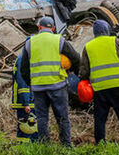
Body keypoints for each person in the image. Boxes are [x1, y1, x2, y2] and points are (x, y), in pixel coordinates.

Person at [20, 16, 80, 145]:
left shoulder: (30, 42)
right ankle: (66, 145)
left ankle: (45, 146)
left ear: (39, 27)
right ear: (53, 28)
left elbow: (23, 69)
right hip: (58, 85)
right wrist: (72, 72)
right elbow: (76, 58)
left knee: (42, 118)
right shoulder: (59, 40)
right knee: (63, 118)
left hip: (38, 87)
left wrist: (31, 83)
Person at [78, 20, 119, 144]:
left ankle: (100, 144)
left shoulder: (88, 47)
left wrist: (86, 83)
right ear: (107, 30)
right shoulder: (117, 42)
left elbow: (83, 71)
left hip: (100, 89)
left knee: (100, 119)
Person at [12, 53, 37, 143]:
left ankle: (34, 149)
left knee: (33, 129)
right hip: (25, 102)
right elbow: (23, 82)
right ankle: (24, 149)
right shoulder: (23, 59)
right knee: (25, 130)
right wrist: (26, 103)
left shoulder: (29, 58)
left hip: (31, 101)